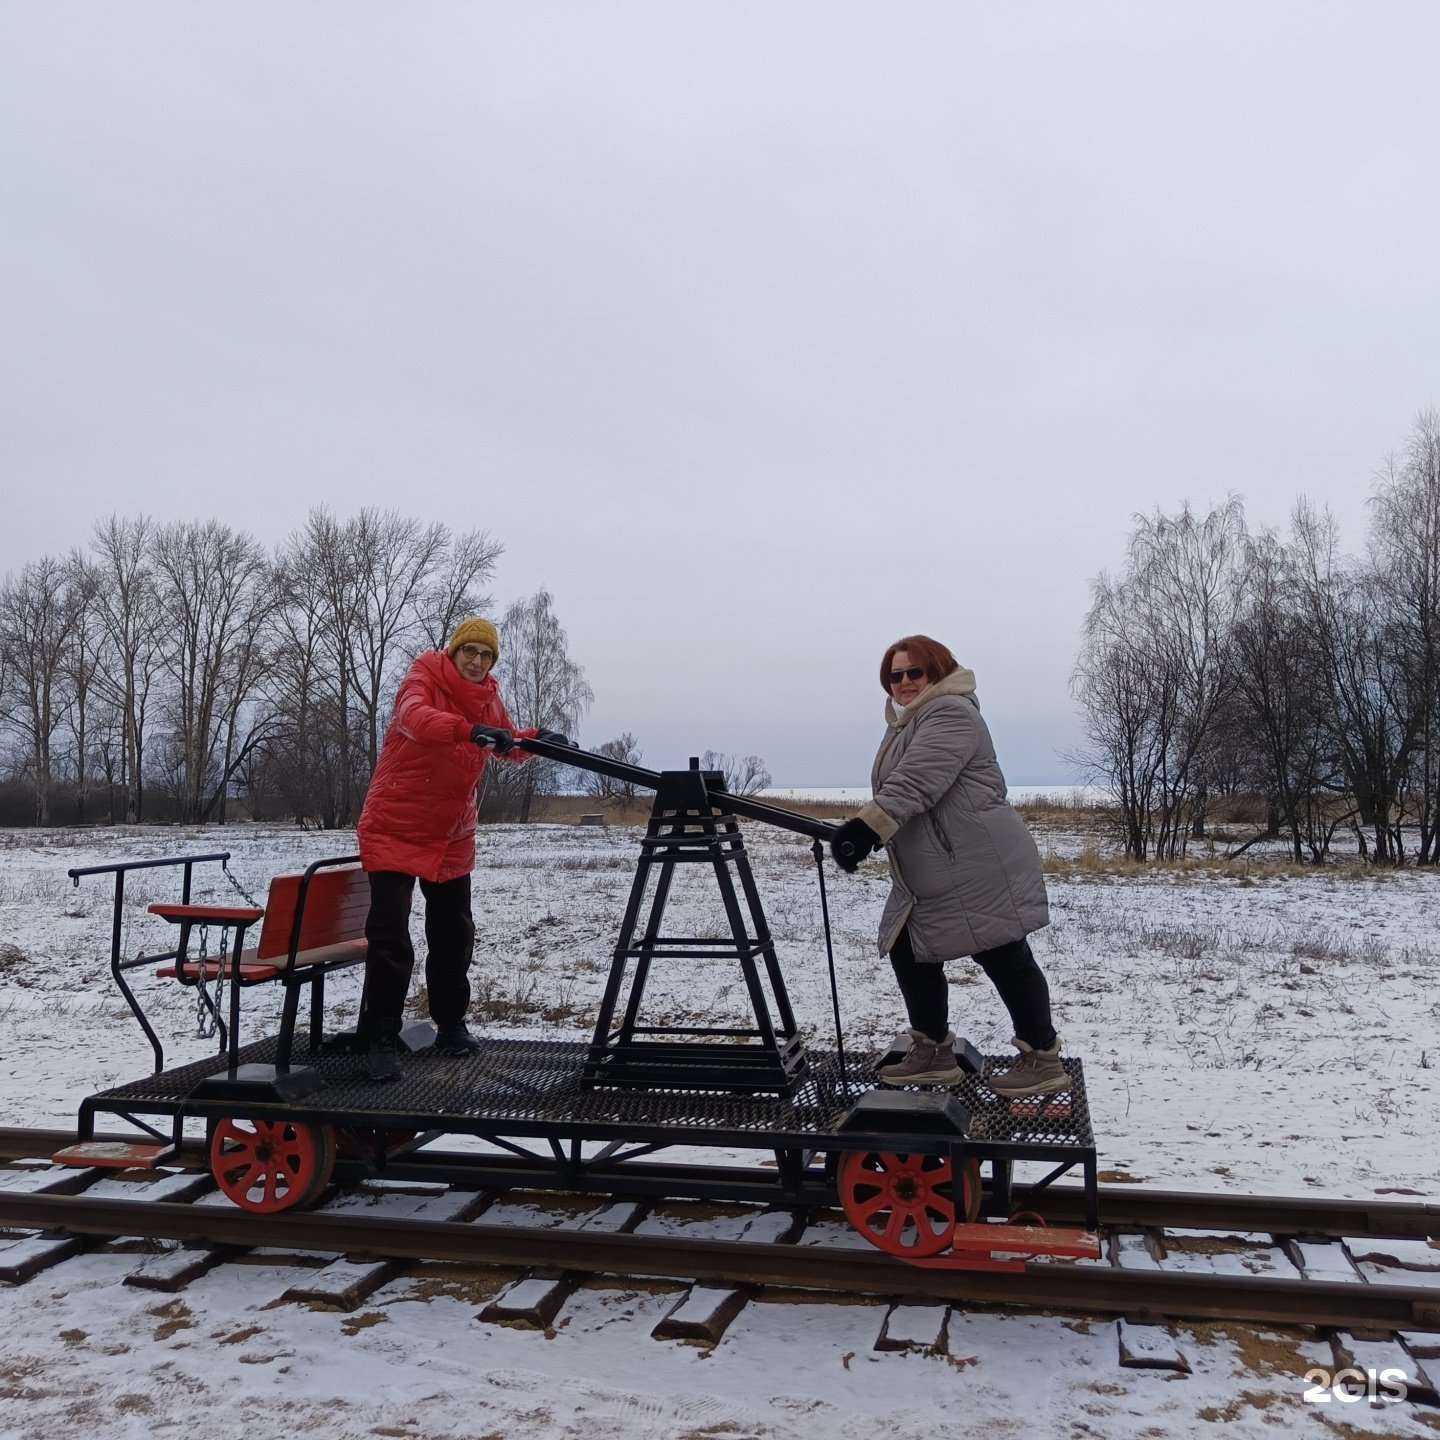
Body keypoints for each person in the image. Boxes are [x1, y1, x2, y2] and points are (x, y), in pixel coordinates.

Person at [829, 635, 1065, 1096]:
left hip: (978, 863)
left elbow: (916, 780)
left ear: (937, 671)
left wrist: (867, 828)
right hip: (939, 866)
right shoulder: (910, 721)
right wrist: (868, 827)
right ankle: (933, 1051)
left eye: (913, 672)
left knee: (1003, 954)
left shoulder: (950, 713)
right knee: (908, 946)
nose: (903, 682)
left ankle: (1043, 1059)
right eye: (894, 676)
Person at [355, 617, 572, 1081]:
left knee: (454, 932)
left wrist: (537, 741)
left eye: (486, 655)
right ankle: (380, 1038)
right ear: (453, 653)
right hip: (396, 824)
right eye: (469, 652)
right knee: (391, 937)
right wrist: (467, 730)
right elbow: (415, 719)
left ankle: (451, 1025)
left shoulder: (487, 696)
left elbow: (506, 741)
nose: (477, 661)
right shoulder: (423, 678)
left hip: (451, 832)